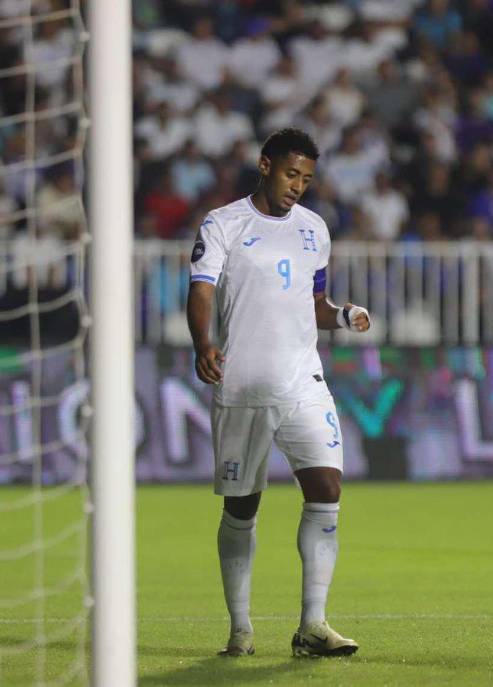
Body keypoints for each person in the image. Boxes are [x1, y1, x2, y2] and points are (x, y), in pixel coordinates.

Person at [186, 128, 371, 659]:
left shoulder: (315, 229)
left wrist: (342, 314)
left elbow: (316, 304)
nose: (299, 187)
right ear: (265, 165)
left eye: (307, 179)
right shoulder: (223, 223)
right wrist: (205, 343)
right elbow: (201, 289)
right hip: (241, 383)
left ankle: (312, 625)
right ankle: (240, 629)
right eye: (292, 174)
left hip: (303, 381)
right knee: (243, 509)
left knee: (327, 490)